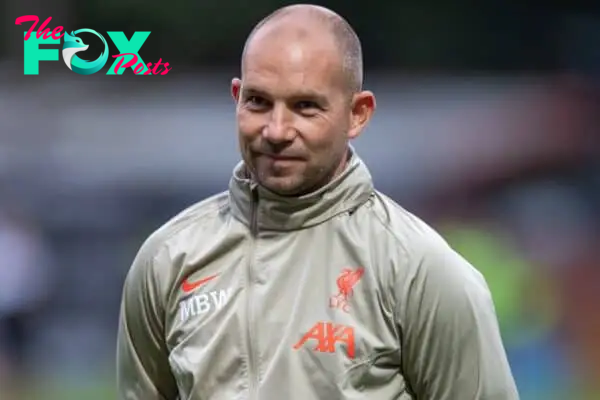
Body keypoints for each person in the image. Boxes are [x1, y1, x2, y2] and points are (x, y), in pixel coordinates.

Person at [116, 4, 519, 399]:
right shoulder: (167, 259)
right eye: (258, 101)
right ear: (236, 98)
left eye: (305, 107)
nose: (276, 130)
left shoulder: (420, 271)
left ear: (358, 114)